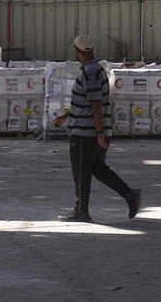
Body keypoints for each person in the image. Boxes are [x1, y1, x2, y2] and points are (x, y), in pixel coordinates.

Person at [52, 35, 142, 223]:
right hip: (92, 131)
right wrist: (66, 117)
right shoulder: (94, 70)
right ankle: (130, 194)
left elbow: (95, 104)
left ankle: (81, 210)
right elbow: (87, 102)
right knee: (97, 168)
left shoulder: (90, 72)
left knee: (81, 172)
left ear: (78, 51)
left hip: (87, 134)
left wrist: (100, 133)